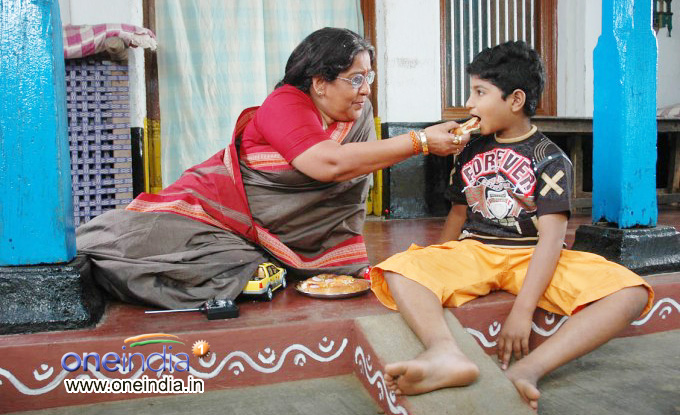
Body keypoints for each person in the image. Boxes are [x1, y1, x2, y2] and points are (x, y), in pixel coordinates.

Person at [76, 27, 469, 310]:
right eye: (356, 79)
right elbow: (327, 165)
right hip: (214, 211)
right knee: (131, 249)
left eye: (369, 78)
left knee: (241, 266)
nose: (366, 89)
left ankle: (272, 259)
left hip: (262, 237)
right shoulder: (284, 104)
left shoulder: (357, 112)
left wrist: (346, 259)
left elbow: (348, 191)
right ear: (319, 83)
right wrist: (420, 141)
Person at [369, 40, 654, 410]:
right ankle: (444, 352)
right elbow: (458, 214)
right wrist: (433, 264)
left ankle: (528, 370)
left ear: (516, 100)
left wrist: (522, 309)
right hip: (475, 252)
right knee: (400, 268)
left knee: (630, 293)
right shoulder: (469, 150)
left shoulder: (549, 158)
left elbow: (551, 239)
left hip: (532, 256)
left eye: (480, 92)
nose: (469, 104)